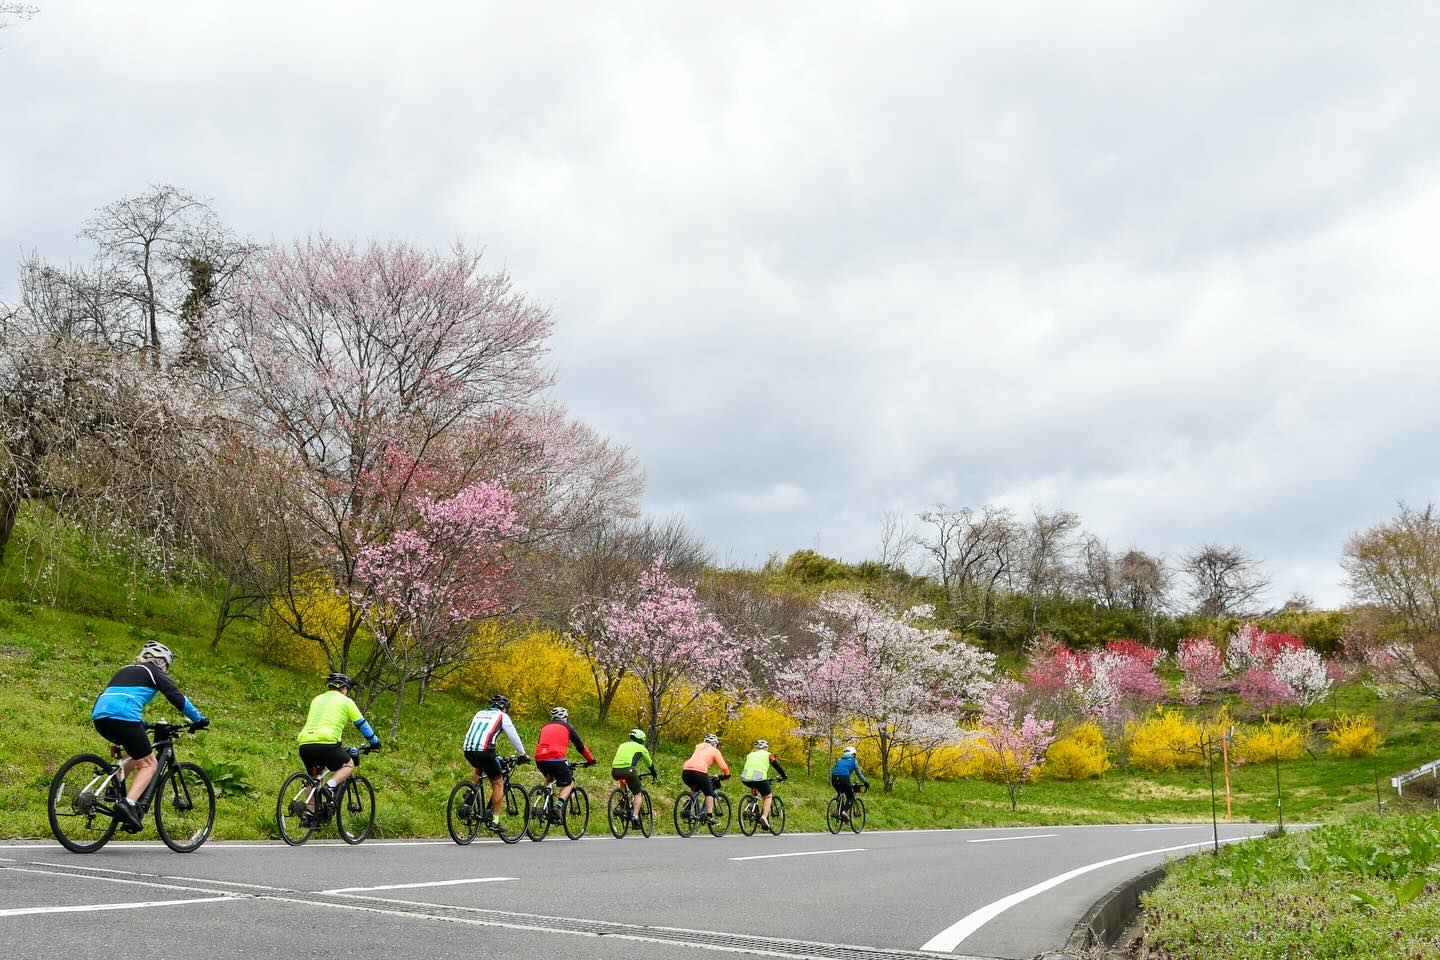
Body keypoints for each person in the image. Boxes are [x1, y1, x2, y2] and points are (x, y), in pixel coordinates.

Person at [91, 641, 209, 830]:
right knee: (149, 763)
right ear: (161, 662)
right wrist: (198, 719)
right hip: (124, 717)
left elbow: (117, 696)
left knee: (134, 754)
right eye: (167, 666)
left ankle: (113, 788)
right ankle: (128, 804)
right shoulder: (153, 671)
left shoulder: (125, 669)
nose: (166, 670)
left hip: (100, 717)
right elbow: (177, 696)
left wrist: (141, 724)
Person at [296, 673, 380, 813]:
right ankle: (330, 785)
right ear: (343, 688)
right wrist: (375, 742)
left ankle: (310, 816)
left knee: (314, 777)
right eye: (347, 689)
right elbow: (361, 724)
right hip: (327, 745)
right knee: (348, 764)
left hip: (305, 745)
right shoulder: (346, 701)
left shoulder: (316, 699)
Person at [461, 694, 529, 829]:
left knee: (480, 767)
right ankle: (495, 821)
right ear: (504, 707)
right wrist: (522, 755)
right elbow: (514, 737)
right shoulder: (503, 716)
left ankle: (470, 794)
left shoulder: (479, 713)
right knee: (498, 783)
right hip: (486, 751)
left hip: (468, 749)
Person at [533, 706, 594, 822]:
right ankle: (557, 807)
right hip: (556, 758)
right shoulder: (567, 726)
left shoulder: (545, 726)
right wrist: (590, 760)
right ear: (565, 717)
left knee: (550, 779)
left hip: (540, 758)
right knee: (568, 784)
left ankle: (540, 799)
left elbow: (540, 742)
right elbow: (580, 746)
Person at [610, 728, 657, 826]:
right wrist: (654, 772)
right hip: (628, 770)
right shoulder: (641, 748)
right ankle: (635, 816)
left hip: (615, 771)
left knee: (623, 782)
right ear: (641, 739)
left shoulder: (622, 745)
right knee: (637, 793)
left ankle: (623, 802)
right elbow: (649, 763)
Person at [681, 733, 730, 824]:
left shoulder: (698, 747)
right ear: (715, 744)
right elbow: (723, 767)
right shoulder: (715, 750)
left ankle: (688, 807)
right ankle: (709, 816)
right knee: (709, 792)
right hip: (700, 772)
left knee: (695, 788)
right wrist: (727, 775)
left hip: (686, 771)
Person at [739, 739, 787, 830]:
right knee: (768, 796)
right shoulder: (769, 755)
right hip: (760, 778)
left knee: (755, 789)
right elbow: (777, 766)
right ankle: (764, 817)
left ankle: (751, 807)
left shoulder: (750, 755)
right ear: (766, 747)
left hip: (745, 778)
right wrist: (784, 776)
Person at [830, 745, 868, 820]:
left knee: (840, 794)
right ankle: (845, 812)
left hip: (834, 778)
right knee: (851, 796)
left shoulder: (839, 759)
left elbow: (836, 770)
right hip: (844, 778)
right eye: (855, 755)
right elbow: (859, 773)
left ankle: (840, 813)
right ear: (853, 754)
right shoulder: (853, 761)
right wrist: (865, 782)